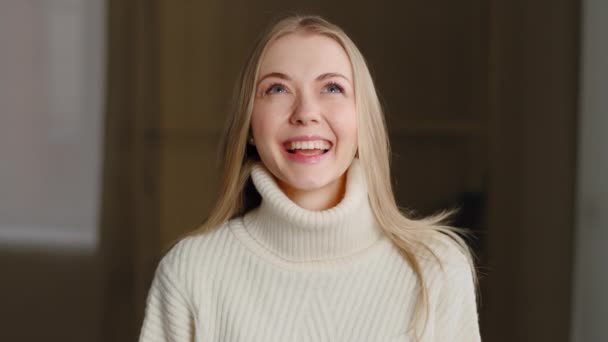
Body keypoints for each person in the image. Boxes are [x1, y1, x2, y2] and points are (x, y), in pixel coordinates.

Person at [138, 14, 481, 342]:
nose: (305, 113)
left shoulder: (437, 268)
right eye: (277, 89)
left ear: (364, 120)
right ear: (250, 125)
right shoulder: (191, 272)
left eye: (332, 88)